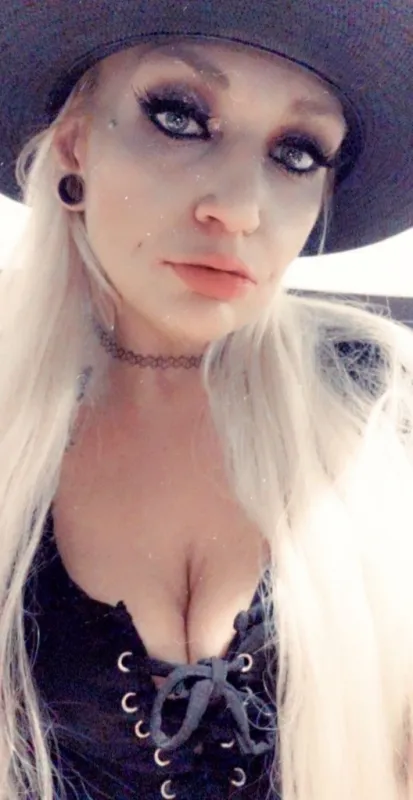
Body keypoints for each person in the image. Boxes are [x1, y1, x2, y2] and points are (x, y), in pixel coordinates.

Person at [0, 1, 413, 799]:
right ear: (76, 144)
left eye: (296, 153)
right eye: (179, 117)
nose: (240, 209)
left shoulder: (383, 416)